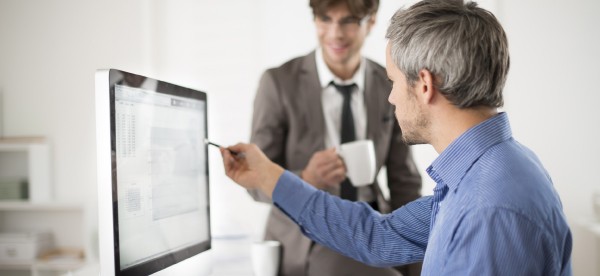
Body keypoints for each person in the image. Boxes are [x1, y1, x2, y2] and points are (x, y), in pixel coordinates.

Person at [222, 0, 573, 275]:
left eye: (393, 82)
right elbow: (379, 236)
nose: (389, 97)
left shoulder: (491, 208)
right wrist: (269, 175)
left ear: (424, 84)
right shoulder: (483, 173)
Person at [248, 0, 423, 275]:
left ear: (371, 21)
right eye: (325, 19)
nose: (335, 33)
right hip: (309, 232)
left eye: (348, 21)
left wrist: (417, 257)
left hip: (373, 225)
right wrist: (304, 179)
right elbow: (254, 181)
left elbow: (404, 180)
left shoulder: (388, 82)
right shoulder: (279, 83)